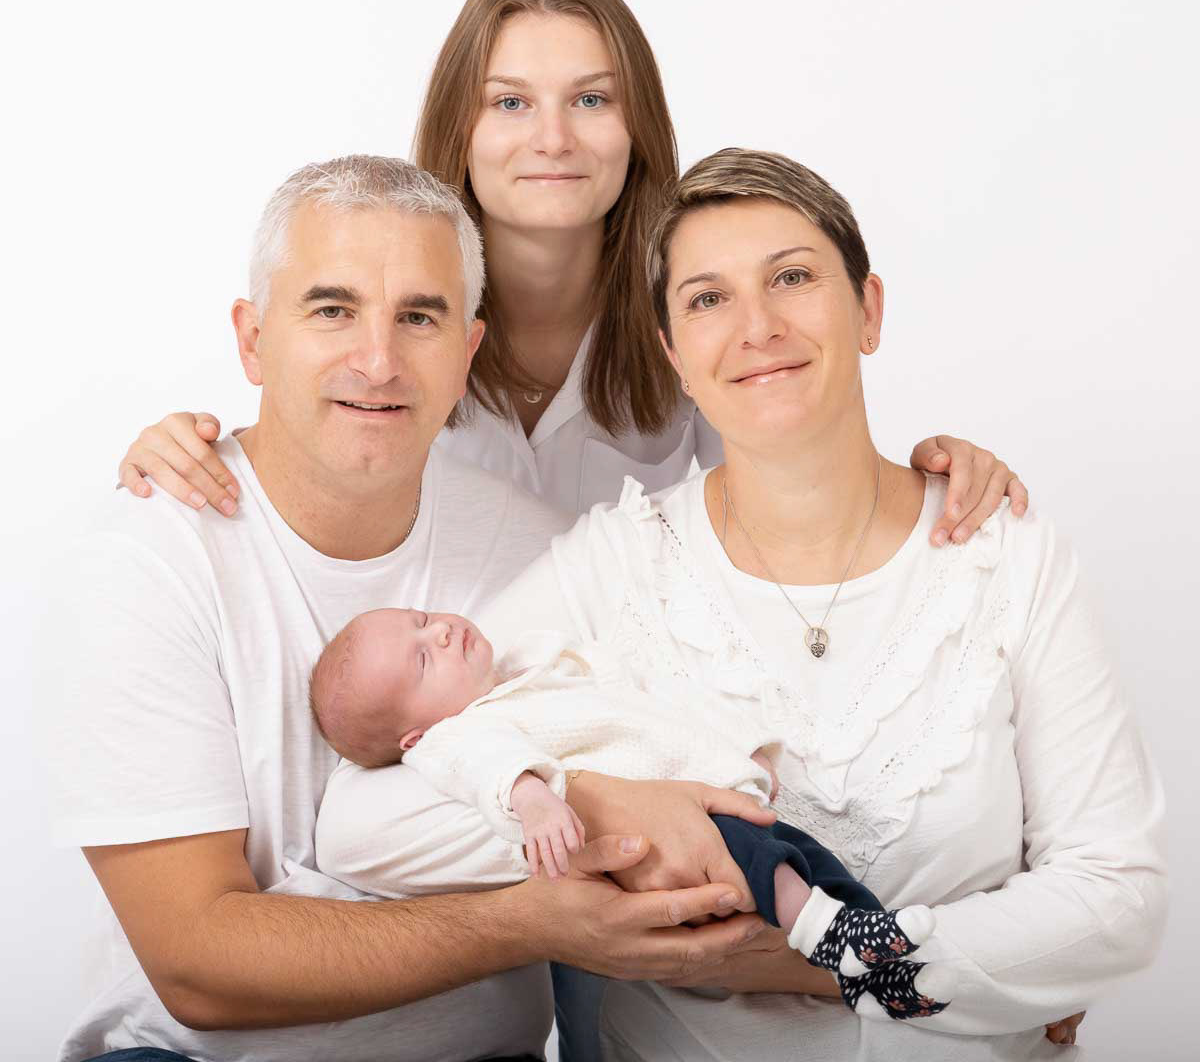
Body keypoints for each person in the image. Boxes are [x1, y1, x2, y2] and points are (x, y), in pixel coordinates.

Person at [316, 148, 1167, 1061]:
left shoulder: (1007, 555)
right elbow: (360, 825)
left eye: (792, 278)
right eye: (708, 299)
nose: (757, 326)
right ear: (674, 356)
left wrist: (804, 966)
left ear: (869, 310)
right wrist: (606, 804)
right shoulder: (616, 563)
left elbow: (1117, 897)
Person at [47, 156, 783, 1062]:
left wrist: (923, 490)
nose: (378, 360)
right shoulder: (150, 557)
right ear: (252, 339)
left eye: (420, 317)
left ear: (468, 351)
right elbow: (196, 966)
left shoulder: (539, 547)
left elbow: (746, 602)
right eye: (332, 309)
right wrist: (531, 923)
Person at [112, 0, 1025, 535]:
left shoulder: (702, 305)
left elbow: (795, 489)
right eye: (510, 101)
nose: (552, 139)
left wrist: (931, 481)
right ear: (461, 127)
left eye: (591, 99)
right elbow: (301, 459)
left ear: (636, 127)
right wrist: (186, 452)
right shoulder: (387, 313)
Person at [308, 606, 957, 1022]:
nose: (441, 632)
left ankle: (875, 961)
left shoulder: (538, 665)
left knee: (813, 860)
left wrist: (744, 743)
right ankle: (831, 934)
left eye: (423, 619)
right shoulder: (458, 736)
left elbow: (656, 703)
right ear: (415, 735)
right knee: (775, 867)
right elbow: (489, 771)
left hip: (715, 799)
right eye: (424, 658)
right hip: (676, 837)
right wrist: (535, 800)